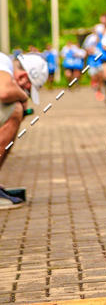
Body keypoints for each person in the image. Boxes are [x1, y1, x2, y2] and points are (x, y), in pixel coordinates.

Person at [0, 52, 48, 209]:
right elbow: (5, 92)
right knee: (15, 110)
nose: (26, 92)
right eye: (28, 89)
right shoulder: (3, 61)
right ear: (23, 76)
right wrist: (23, 98)